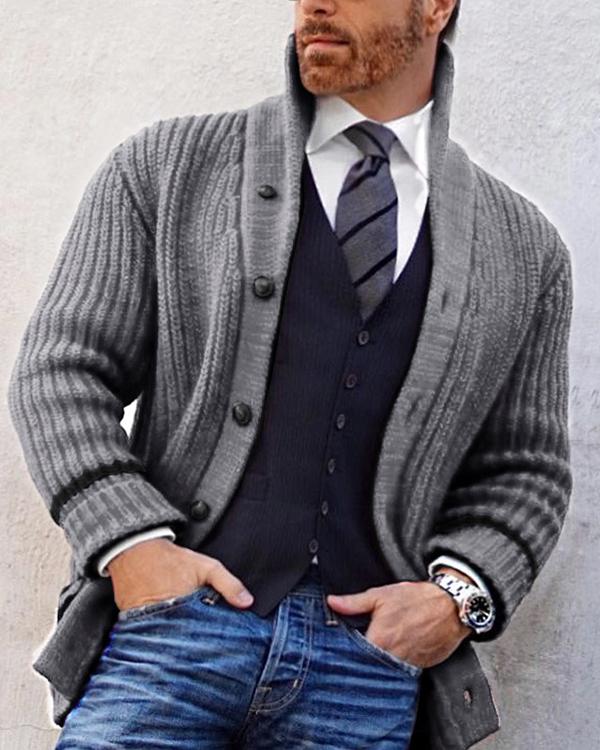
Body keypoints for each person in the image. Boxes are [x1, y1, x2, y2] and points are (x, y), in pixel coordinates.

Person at [8, 0, 573, 748]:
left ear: (437, 6)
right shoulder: (165, 169)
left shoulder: (525, 252)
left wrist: (454, 600)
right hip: (168, 644)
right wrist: (132, 545)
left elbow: (527, 472)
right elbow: (61, 372)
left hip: (366, 675)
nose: (313, 3)